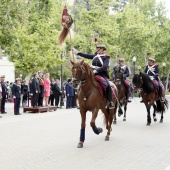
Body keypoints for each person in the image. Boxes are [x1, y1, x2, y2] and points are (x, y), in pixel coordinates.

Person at [72, 44, 115, 109]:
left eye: (98, 48)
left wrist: (97, 71)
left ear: (102, 49)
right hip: (92, 74)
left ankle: (110, 102)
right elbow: (86, 55)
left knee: (107, 85)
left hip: (101, 74)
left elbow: (104, 67)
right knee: (81, 83)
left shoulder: (106, 57)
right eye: (97, 48)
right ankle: (81, 102)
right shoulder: (95, 56)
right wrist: (77, 52)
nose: (97, 49)